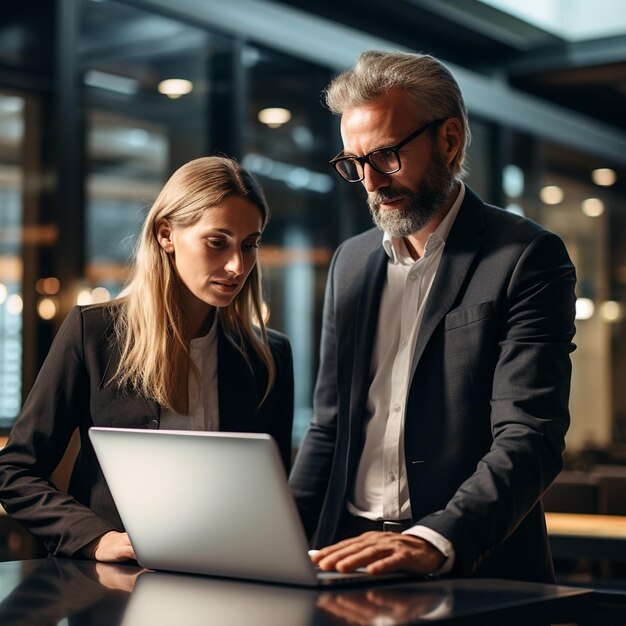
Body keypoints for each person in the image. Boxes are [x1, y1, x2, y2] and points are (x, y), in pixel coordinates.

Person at [288, 50, 576, 583]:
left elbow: (528, 434)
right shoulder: (350, 262)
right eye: (354, 163)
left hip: (468, 557)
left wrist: (435, 538)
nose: (370, 182)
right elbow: (329, 430)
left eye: (386, 156)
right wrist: (279, 544)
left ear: (449, 139)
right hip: (343, 552)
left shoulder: (527, 256)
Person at [0, 156, 294, 563]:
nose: (237, 266)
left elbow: (272, 498)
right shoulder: (95, 333)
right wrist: (96, 539)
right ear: (165, 234)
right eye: (217, 241)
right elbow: (15, 472)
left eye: (249, 245)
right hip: (113, 589)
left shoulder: (267, 356)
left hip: (231, 576)